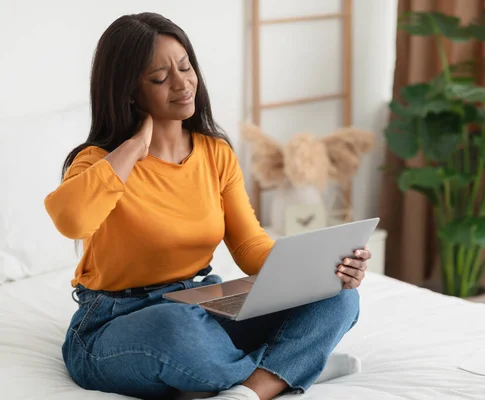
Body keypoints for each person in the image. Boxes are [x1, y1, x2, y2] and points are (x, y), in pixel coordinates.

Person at [44, 12, 371, 400]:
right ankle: (290, 367)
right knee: (176, 327)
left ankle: (253, 384)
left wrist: (321, 268)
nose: (183, 84)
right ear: (128, 91)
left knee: (338, 296)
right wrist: (134, 145)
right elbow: (71, 220)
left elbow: (251, 249)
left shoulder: (215, 153)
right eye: (160, 78)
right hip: (116, 321)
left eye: (185, 67)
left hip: (202, 303)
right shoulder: (99, 162)